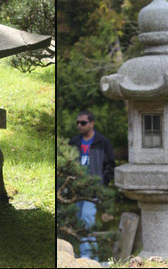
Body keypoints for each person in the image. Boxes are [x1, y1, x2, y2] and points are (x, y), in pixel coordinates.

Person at [68, 110, 115, 261]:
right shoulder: (74, 142)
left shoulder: (102, 142)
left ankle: (87, 257)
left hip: (93, 188)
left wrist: (102, 182)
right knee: (76, 220)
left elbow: (110, 165)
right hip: (76, 188)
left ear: (92, 123)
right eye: (78, 123)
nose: (79, 125)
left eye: (83, 122)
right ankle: (88, 255)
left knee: (87, 219)